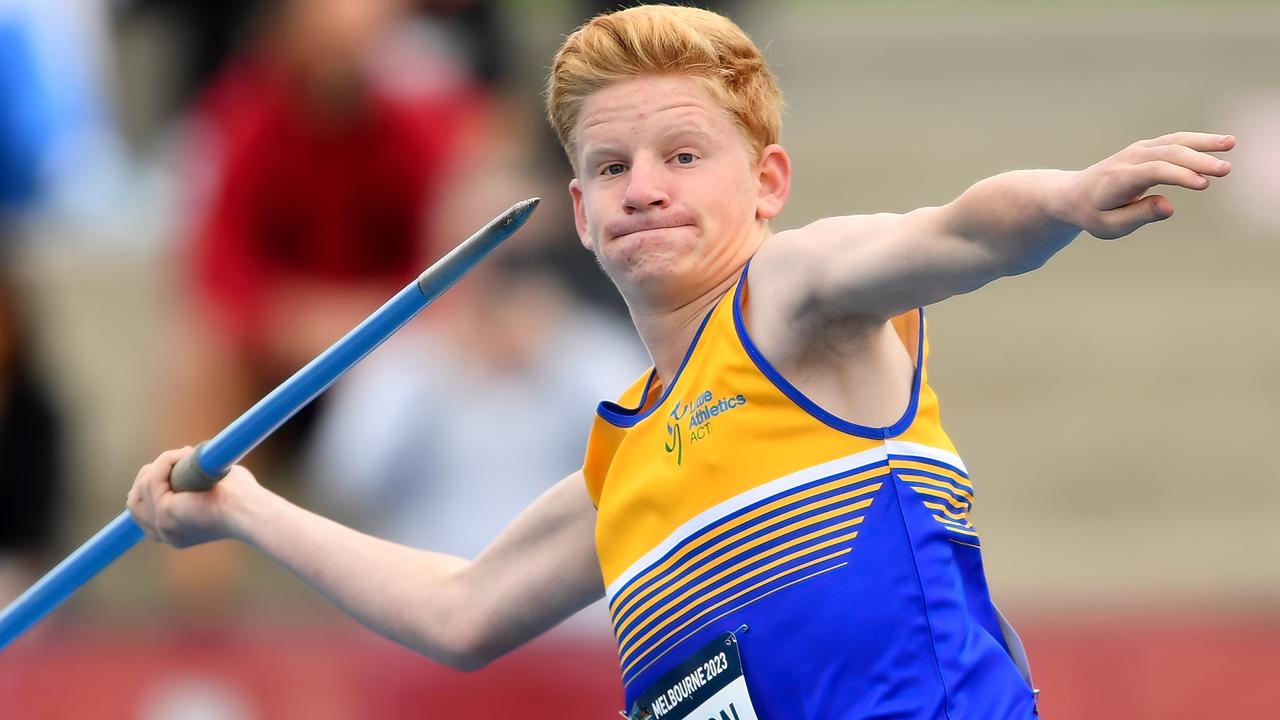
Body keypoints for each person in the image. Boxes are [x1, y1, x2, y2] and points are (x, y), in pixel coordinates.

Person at [126, 6, 1233, 718]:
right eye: (609, 167)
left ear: (767, 182)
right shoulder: (622, 463)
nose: (642, 185)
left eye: (683, 155)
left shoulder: (790, 299)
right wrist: (243, 510)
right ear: (578, 211)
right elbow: (461, 610)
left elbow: (951, 232)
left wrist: (1063, 202)